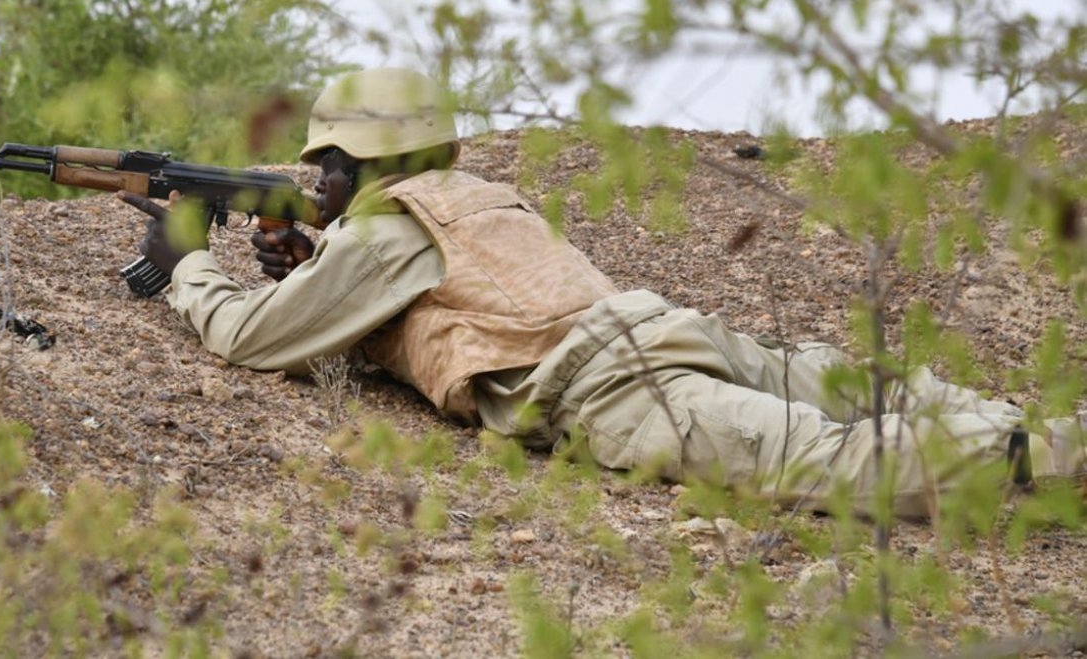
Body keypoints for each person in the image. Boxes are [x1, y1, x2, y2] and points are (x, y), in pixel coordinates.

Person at [121, 67, 1085, 518]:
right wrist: (315, 256)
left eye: (322, 166)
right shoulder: (467, 193)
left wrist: (186, 264)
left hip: (610, 385)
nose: (310, 182)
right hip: (653, 327)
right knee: (847, 389)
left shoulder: (384, 225)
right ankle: (1042, 428)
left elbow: (252, 338)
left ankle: (1046, 459)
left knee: (828, 459)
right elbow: (433, 298)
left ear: (360, 160)